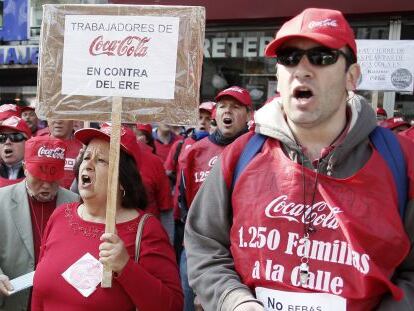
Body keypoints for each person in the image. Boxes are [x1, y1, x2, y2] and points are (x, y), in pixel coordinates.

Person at [185, 8, 414, 311]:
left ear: (352, 76)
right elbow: (204, 244)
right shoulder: (239, 156)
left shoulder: (401, 161)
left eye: (321, 57)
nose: (302, 69)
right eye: (290, 58)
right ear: (278, 76)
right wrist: (234, 301)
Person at [31, 127, 183, 310]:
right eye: (86, 157)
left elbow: (172, 305)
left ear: (122, 179)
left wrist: (126, 268)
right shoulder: (60, 215)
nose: (87, 165)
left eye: (101, 160)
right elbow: (39, 294)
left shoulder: (146, 230)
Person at [179, 87, 252, 311]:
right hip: (198, 248)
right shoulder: (195, 151)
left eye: (235, 106)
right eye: (222, 106)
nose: (227, 111)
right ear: (215, 114)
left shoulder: (257, 151)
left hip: (242, 251)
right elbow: (184, 201)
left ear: (249, 114)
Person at [0, 136, 79, 310]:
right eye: (39, 176)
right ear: (25, 168)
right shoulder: (1, 200)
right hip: (14, 300)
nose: (46, 185)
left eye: (53, 177)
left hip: (58, 300)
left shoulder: (76, 203)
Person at [38, 119, 83, 189]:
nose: (58, 121)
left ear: (74, 121)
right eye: (54, 116)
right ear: (47, 120)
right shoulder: (35, 145)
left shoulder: (83, 148)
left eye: (63, 116)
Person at [0, 116, 32, 187]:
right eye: (2, 137)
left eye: (16, 137)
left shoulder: (37, 175)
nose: (7, 142)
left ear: (28, 143)